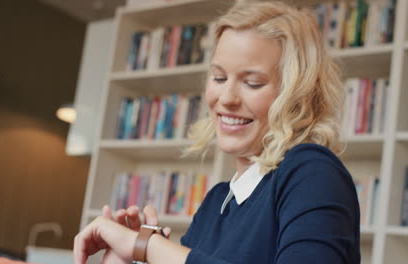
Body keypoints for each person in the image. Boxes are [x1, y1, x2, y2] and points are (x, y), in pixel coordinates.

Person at [73, 1, 361, 263]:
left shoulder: (312, 171)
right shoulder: (216, 201)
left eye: (252, 83)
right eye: (219, 77)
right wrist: (125, 257)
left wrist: (146, 246)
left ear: (297, 94)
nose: (227, 98)